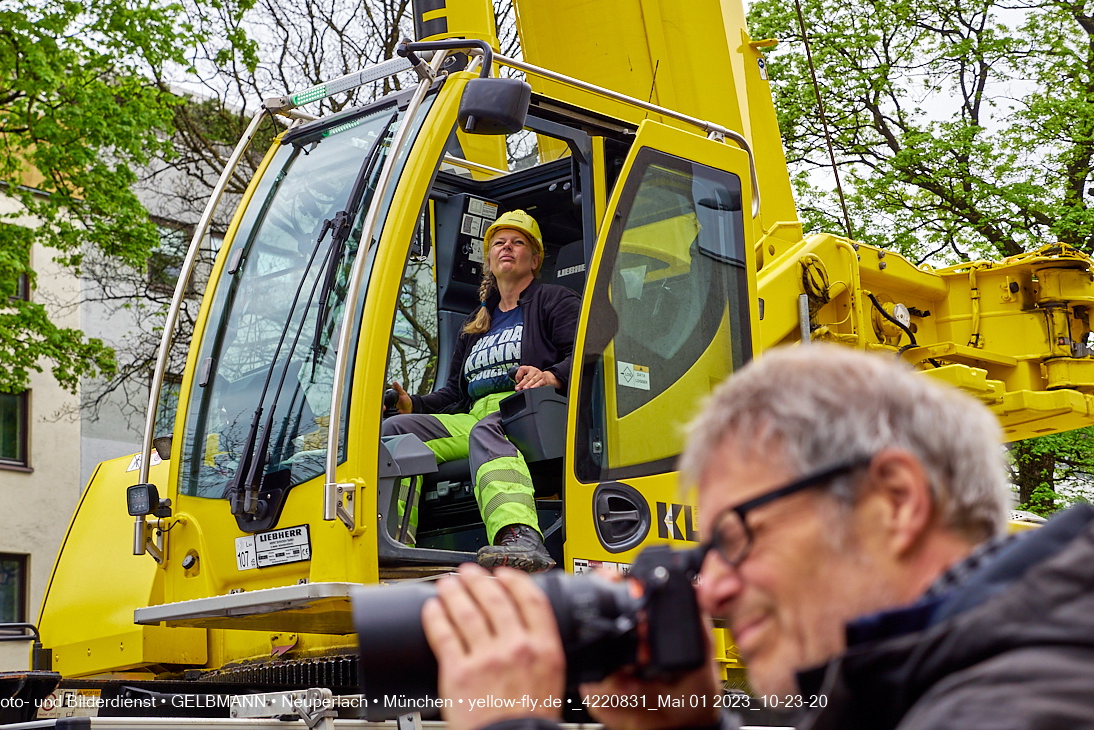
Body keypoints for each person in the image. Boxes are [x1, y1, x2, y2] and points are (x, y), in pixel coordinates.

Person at [421, 345, 1094, 730]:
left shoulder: (1026, 706)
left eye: (737, 538)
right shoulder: (916, 694)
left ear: (894, 502)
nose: (710, 591)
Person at [383, 209, 579, 572]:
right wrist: (415, 405)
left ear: (535, 259)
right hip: (473, 416)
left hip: (525, 410)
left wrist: (550, 376)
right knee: (395, 432)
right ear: (489, 259)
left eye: (518, 242)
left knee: (487, 430)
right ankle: (395, 542)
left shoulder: (555, 301)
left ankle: (520, 536)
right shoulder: (476, 323)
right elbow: (454, 396)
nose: (507, 247)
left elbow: (585, 353)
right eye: (499, 243)